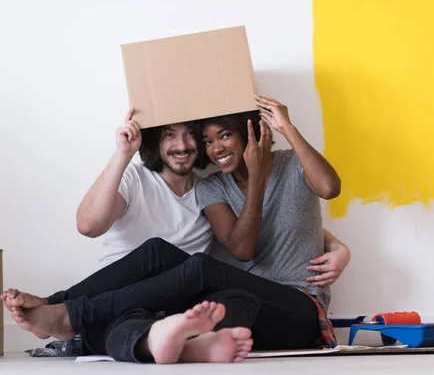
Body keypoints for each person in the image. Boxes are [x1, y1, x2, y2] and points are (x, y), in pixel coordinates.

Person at [2, 95, 346, 363]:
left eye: (223, 135)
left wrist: (337, 246)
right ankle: (194, 344)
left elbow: (328, 189)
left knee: (198, 267)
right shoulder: (213, 187)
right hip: (245, 300)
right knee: (176, 267)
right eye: (208, 140)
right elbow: (89, 225)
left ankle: (71, 316)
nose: (215, 148)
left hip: (301, 306)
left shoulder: (290, 165)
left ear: (252, 132)